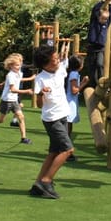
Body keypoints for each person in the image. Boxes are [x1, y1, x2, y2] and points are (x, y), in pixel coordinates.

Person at [29, 44, 73, 199]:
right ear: (45, 64)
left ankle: (37, 184)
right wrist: (41, 94)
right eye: (54, 59)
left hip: (63, 116)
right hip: (51, 119)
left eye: (57, 57)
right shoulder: (41, 79)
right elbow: (40, 105)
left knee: (54, 152)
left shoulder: (60, 69)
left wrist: (64, 49)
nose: (57, 60)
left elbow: (64, 56)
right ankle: (46, 181)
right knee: (67, 150)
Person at [84, 0, 111, 88]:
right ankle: (92, 84)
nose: (104, 20)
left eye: (106, 19)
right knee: (91, 66)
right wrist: (104, 0)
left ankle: (101, 82)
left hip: (100, 48)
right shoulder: (94, 22)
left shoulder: (106, 23)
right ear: (98, 17)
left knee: (100, 64)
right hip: (92, 47)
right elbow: (94, 9)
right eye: (103, 19)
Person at [64, 53, 88, 162]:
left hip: (71, 102)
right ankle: (66, 153)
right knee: (66, 130)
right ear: (80, 65)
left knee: (68, 129)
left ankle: (67, 152)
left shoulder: (72, 73)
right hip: (70, 103)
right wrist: (83, 83)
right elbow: (74, 91)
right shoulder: (74, 74)